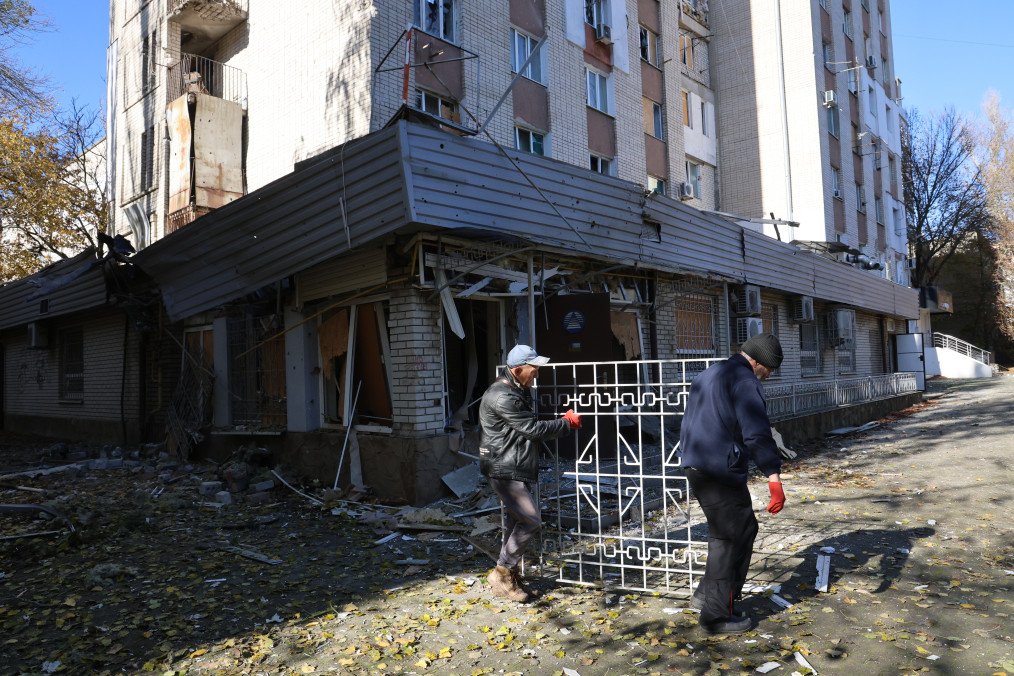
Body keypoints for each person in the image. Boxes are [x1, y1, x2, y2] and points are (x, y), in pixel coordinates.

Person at [678, 333, 786, 634]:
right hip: (719, 469)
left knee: (739, 529)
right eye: (770, 368)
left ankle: (708, 596)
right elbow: (756, 432)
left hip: (696, 463)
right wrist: (773, 477)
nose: (769, 375)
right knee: (730, 537)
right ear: (759, 361)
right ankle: (716, 616)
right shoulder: (744, 380)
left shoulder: (711, 372)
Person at [479, 344, 582, 602]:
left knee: (516, 522)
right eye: (533, 369)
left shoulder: (515, 389)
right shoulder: (503, 396)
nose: (536, 373)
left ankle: (508, 580)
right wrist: (566, 423)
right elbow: (532, 429)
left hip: (513, 463)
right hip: (504, 467)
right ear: (516, 369)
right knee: (531, 520)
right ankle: (501, 572)